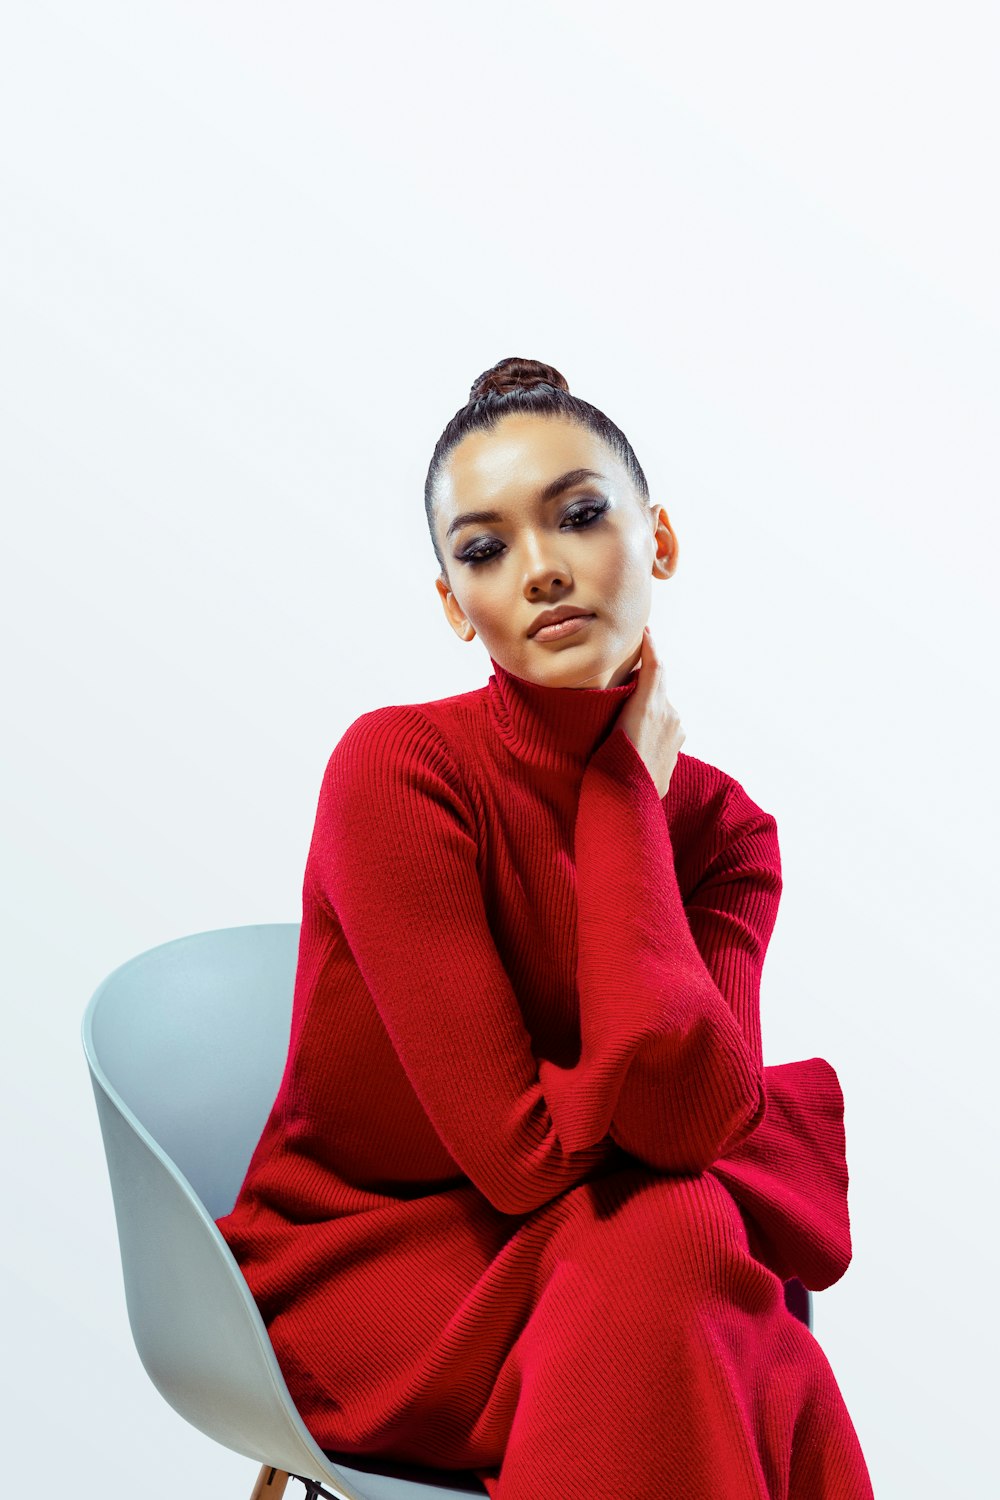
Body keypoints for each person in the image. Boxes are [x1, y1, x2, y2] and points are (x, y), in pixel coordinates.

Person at [215, 357, 875, 1498]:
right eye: (482, 549)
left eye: (578, 516)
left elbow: (688, 1117)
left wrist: (627, 798)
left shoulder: (723, 834)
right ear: (450, 606)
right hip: (372, 1264)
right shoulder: (398, 772)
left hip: (605, 1250)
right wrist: (622, 790)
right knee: (685, 1247)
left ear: (658, 539)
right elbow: (519, 1161)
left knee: (673, 1237)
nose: (539, 572)